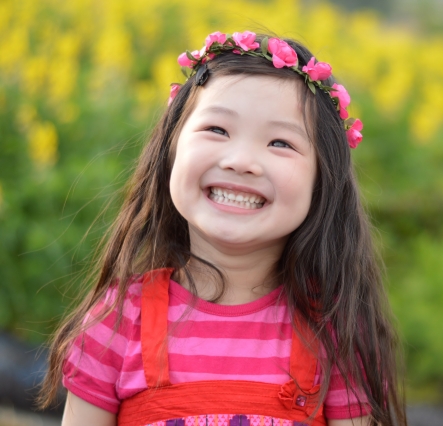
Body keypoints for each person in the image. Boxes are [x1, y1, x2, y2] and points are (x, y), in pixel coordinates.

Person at [38, 30, 405, 426]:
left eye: (280, 143)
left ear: (323, 180)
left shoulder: (336, 332)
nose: (241, 161)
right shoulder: (118, 321)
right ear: (170, 149)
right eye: (217, 130)